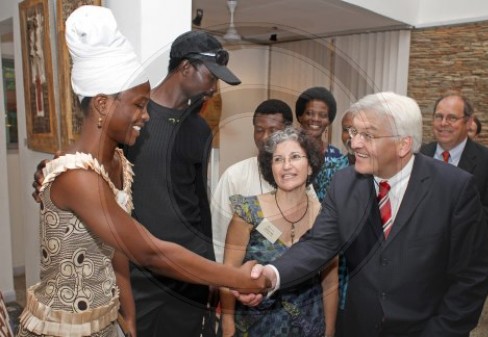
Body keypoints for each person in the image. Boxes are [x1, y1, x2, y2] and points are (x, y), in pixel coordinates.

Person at [20, 6, 268, 337]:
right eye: (139, 105)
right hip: (69, 324)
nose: (145, 114)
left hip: (115, 310)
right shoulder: (80, 171)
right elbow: (146, 249)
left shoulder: (124, 161)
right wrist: (234, 277)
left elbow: (123, 243)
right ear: (105, 104)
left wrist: (130, 314)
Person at [237, 92, 488, 337]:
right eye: (354, 132)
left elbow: (472, 277)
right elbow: (319, 244)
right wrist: (272, 274)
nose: (354, 142)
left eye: (368, 135)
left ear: (403, 144)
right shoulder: (345, 183)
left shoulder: (454, 188)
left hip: (427, 328)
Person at [123, 30, 242, 337]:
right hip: (140, 270)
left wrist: (210, 265)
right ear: (186, 68)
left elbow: (198, 198)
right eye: (211, 77)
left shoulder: (199, 128)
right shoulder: (133, 115)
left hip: (190, 268)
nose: (214, 88)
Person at [220, 127, 337, 337]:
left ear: (310, 165)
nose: (286, 166)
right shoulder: (248, 212)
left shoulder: (326, 218)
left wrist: (329, 331)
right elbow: (228, 273)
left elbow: (329, 281)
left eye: (295, 157)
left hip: (310, 327)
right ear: (270, 168)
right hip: (254, 328)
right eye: (277, 159)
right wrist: (227, 326)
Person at [211, 99, 295, 263]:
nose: (265, 137)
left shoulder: (298, 174)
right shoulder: (235, 176)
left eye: (273, 131)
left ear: (288, 131)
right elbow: (218, 231)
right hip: (244, 279)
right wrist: (219, 279)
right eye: (259, 130)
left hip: (292, 274)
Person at [420, 94, 488, 236]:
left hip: (463, 251)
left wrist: (449, 218)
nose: (443, 123)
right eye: (439, 116)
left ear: (468, 122)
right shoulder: (418, 155)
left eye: (452, 118)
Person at [295, 86, 349, 202]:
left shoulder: (336, 157)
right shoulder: (287, 151)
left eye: (322, 115)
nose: (315, 119)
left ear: (329, 121)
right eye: (309, 113)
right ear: (300, 116)